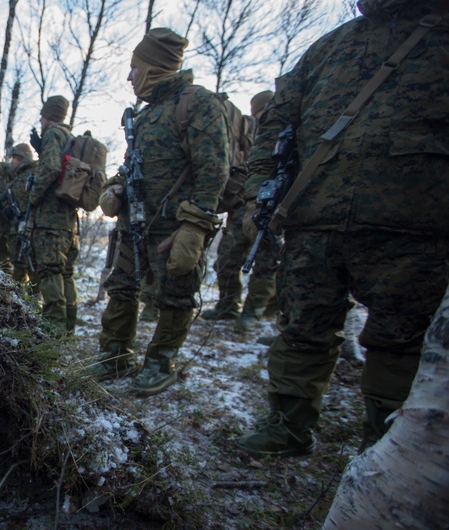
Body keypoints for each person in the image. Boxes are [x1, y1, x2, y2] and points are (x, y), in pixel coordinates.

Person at [236, 0, 449, 458]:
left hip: (414, 228)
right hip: (313, 217)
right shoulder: (330, 47)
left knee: (400, 343)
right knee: (301, 328)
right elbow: (277, 120)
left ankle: (388, 453)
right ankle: (287, 427)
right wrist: (260, 188)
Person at [87, 28, 230, 395]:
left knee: (175, 295)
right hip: (134, 224)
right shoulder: (146, 116)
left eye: (135, 67)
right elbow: (133, 165)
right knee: (120, 287)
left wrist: (195, 226)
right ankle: (115, 354)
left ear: (154, 67)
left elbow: (213, 170)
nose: (130, 76)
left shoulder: (197, 103)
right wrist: (115, 186)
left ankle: (160, 362)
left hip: (175, 227)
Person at [201, 90, 280, 332]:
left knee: (266, 264)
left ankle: (253, 314)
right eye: (258, 112)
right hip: (240, 206)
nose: (260, 117)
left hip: (272, 207)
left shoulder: (287, 130)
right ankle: (227, 306)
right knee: (226, 258)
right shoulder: (247, 131)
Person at [26, 95, 80, 335]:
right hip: (68, 220)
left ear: (48, 115)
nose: (40, 119)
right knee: (65, 273)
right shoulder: (68, 136)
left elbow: (50, 168)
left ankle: (53, 331)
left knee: (50, 272)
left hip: (50, 220)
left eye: (42, 114)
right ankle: (67, 330)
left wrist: (33, 195)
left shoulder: (52, 134)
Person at [6, 142, 39, 288]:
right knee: (18, 264)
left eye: (15, 158)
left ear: (23, 158)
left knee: (32, 267)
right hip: (17, 227)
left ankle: (34, 302)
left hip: (30, 228)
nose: (12, 161)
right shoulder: (17, 176)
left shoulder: (31, 174)